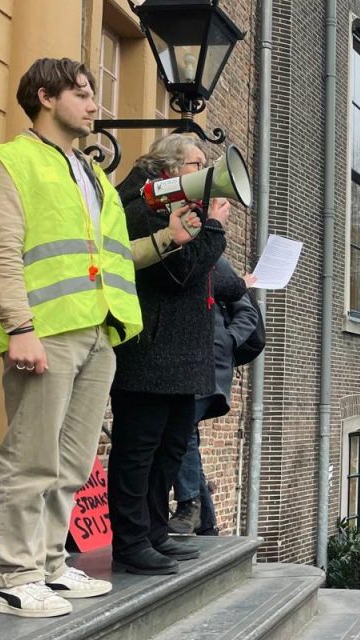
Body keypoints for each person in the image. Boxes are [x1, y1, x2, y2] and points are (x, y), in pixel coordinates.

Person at [0, 58, 202, 617]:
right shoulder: (7, 162)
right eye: (82, 94)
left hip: (99, 332)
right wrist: (19, 328)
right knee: (32, 455)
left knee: (72, 460)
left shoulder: (94, 177)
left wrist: (167, 239)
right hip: (45, 332)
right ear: (45, 97)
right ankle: (13, 576)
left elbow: (116, 257)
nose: (96, 106)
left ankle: (49, 563)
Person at [107, 133, 233, 574]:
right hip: (152, 354)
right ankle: (130, 541)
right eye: (196, 162)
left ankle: (155, 532)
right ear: (169, 168)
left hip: (181, 357)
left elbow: (206, 271)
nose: (205, 170)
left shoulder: (179, 210)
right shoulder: (145, 208)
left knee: (170, 450)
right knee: (138, 450)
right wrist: (214, 227)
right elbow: (180, 272)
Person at [168, 258, 259, 536]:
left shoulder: (214, 262)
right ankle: (206, 523)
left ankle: (189, 506)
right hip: (179, 366)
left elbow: (247, 314)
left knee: (180, 428)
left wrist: (225, 341)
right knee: (185, 435)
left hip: (209, 366)